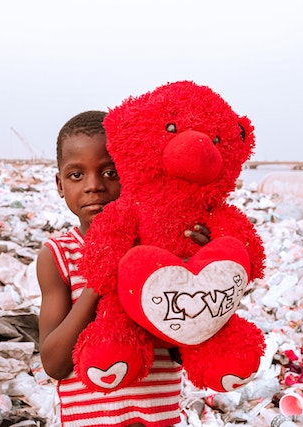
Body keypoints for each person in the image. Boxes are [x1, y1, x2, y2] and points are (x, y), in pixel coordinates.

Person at [36, 110, 209, 427]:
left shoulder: (158, 251)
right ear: (60, 184)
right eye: (77, 175)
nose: (94, 186)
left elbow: (182, 353)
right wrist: (102, 277)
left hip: (159, 419)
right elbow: (55, 363)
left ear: (132, 173)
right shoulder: (57, 255)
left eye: (110, 172)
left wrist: (194, 269)